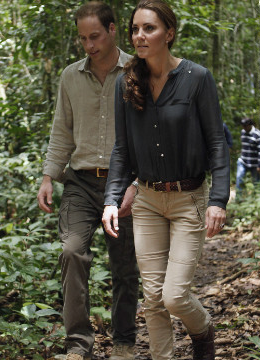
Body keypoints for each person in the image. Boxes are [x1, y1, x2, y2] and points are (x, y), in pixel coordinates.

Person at [102, 1, 230, 359]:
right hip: (146, 200)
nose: (139, 36)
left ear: (169, 34)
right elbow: (122, 150)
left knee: (174, 295)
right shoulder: (125, 83)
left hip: (188, 198)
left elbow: (217, 142)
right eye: (135, 29)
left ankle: (203, 330)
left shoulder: (197, 79)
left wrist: (218, 199)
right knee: (153, 298)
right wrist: (112, 199)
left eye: (149, 29)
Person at [37, 2, 139, 360]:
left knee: (125, 266)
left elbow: (149, 133)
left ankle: (125, 342)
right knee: (71, 252)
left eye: (95, 36)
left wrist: (137, 183)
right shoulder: (70, 76)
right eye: (83, 38)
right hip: (79, 182)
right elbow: (61, 132)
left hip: (124, 183)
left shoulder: (137, 71)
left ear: (112, 30)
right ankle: (78, 345)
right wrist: (49, 176)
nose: (89, 45)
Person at [236, 118, 260, 195]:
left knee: (256, 182)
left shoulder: (257, 134)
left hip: (254, 163)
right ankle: (239, 198)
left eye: (245, 126)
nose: (244, 128)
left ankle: (257, 197)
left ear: (250, 125)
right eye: (243, 126)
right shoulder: (242, 132)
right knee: (239, 178)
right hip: (243, 161)